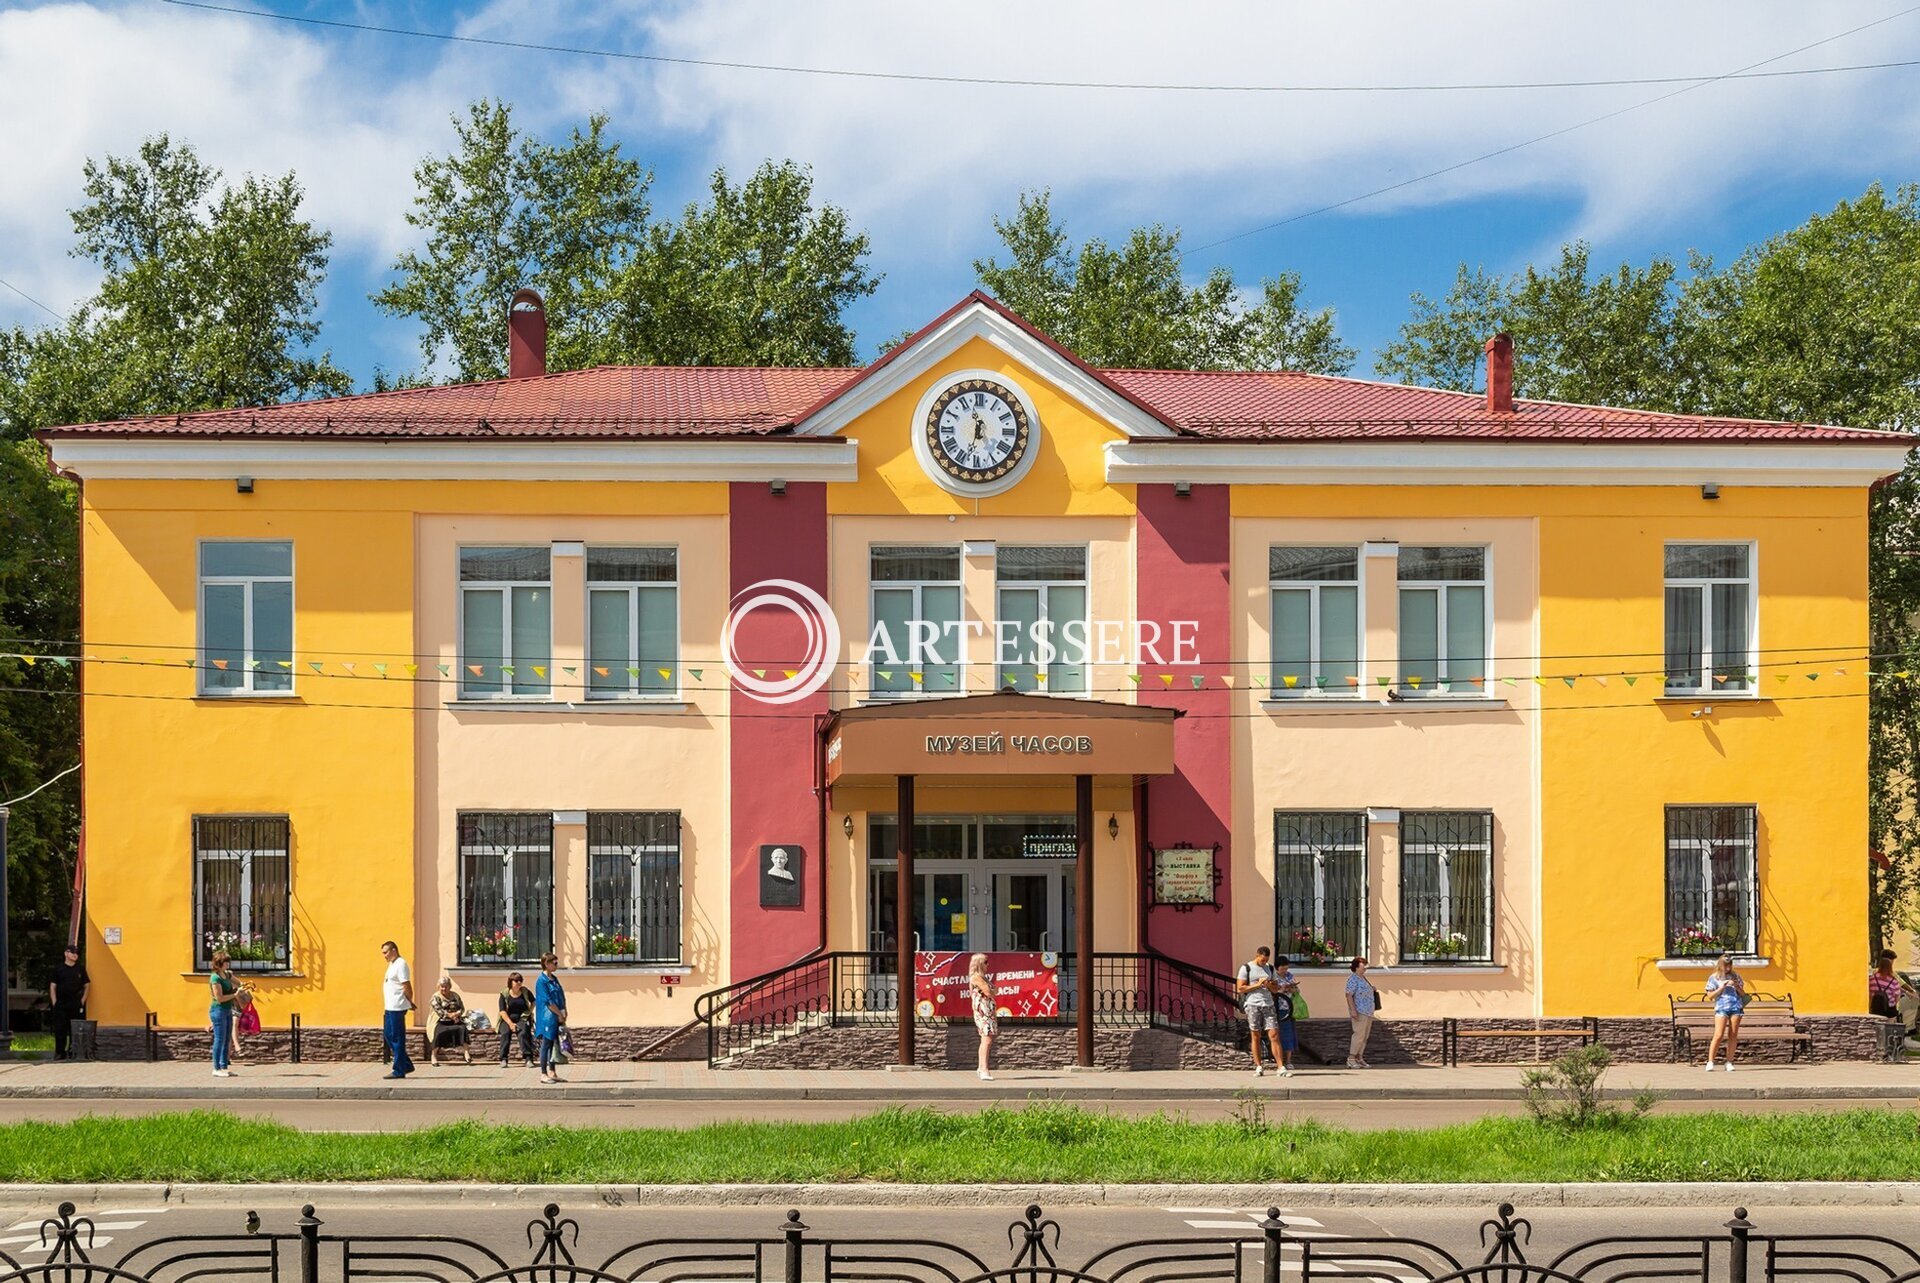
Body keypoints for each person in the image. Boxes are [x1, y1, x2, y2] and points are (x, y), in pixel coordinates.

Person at [1235, 945, 1288, 1077]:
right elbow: (1240, 988)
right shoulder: (1246, 968)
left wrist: (1269, 985)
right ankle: (1258, 1066)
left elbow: (1276, 989)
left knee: (1274, 1034)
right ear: (1257, 955)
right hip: (1253, 1004)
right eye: (1262, 960)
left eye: (1266, 960)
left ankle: (1281, 1067)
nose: (1264, 962)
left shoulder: (1269, 968)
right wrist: (1257, 985)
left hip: (1268, 1004)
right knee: (1256, 1035)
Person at [379, 940, 416, 1080]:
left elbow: (406, 985)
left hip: (397, 1006)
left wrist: (409, 1001)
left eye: (386, 952)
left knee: (397, 1037)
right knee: (389, 1035)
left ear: (394, 950)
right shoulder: (392, 964)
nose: (384, 955)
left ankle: (399, 1070)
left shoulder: (401, 964)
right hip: (390, 1006)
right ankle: (405, 1063)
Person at [1704, 952, 1746, 1071]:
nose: (1728, 968)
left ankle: (1729, 1062)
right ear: (1720, 965)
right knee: (1718, 1034)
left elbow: (1743, 994)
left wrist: (1736, 986)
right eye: (1725, 965)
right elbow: (1710, 996)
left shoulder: (1735, 976)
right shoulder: (1714, 978)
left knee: (1733, 1035)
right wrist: (1721, 988)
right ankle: (1711, 1061)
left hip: (1735, 1007)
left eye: (1729, 965)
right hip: (1721, 1007)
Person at [47, 944, 88, 1060]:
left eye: (76, 953)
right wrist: (54, 1002)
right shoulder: (58, 969)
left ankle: (73, 1051)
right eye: (72, 952)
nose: (75, 955)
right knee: (60, 1028)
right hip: (61, 1003)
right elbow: (53, 986)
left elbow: (87, 985)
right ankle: (60, 1052)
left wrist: (82, 1000)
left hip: (75, 1003)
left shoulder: (80, 969)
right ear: (66, 953)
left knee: (74, 1028)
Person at [533, 952, 567, 1084]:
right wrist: (559, 1014)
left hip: (557, 1015)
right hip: (547, 1017)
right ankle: (543, 1073)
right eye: (555, 963)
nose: (556, 965)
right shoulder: (542, 981)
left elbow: (560, 996)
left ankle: (552, 1071)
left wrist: (564, 1011)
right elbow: (548, 1001)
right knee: (546, 1044)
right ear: (546, 964)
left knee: (554, 1044)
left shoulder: (554, 979)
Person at [207, 950, 240, 1077]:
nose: (228, 964)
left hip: (227, 1010)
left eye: (228, 962)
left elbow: (239, 983)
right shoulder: (215, 978)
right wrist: (234, 995)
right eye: (226, 962)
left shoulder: (227, 974)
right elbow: (219, 998)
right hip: (218, 1011)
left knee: (227, 1039)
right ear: (219, 963)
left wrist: (246, 986)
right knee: (219, 1039)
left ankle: (224, 1067)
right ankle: (216, 1068)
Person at [427, 976, 473, 1066]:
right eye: (442, 986)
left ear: (450, 986)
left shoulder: (455, 995)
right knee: (438, 1032)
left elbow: (462, 1008)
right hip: (440, 1021)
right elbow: (439, 1011)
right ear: (438, 987)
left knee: (463, 1028)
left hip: (454, 1020)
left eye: (446, 986)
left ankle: (467, 1053)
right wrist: (451, 1015)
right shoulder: (435, 997)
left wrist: (457, 1014)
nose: (444, 988)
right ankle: (433, 1056)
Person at [1344, 955, 1378, 1069]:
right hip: (1359, 1010)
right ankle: (1351, 1058)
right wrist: (1353, 1010)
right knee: (1358, 1034)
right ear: (1356, 966)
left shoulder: (1363, 978)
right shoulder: (1353, 979)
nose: (1365, 967)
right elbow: (1349, 995)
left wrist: (1371, 988)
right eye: (1363, 965)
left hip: (1368, 1011)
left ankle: (1359, 1057)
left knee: (1365, 1036)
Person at [968, 952, 998, 1081]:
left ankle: (981, 1067)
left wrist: (991, 990)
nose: (988, 965)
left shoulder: (984, 978)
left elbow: (995, 991)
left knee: (987, 1039)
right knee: (987, 1039)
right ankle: (984, 1068)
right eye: (986, 962)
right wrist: (991, 990)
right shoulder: (976, 977)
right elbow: (988, 991)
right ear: (980, 964)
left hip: (989, 1011)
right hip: (983, 1012)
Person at [1270, 954, 1302, 1074]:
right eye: (1282, 969)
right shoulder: (1273, 978)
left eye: (1286, 968)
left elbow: (1297, 990)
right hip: (1277, 1009)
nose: (1284, 971)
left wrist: (1291, 988)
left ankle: (1288, 1060)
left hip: (1289, 1008)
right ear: (1277, 968)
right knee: (1277, 1034)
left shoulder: (1289, 976)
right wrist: (1280, 990)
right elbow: (1271, 991)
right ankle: (1279, 1060)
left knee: (1289, 1033)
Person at [497, 972, 536, 1067]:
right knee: (505, 1033)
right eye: (516, 981)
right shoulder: (504, 993)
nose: (519, 983)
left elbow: (534, 1001)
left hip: (522, 1018)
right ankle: (503, 1059)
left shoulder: (525, 991)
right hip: (507, 1019)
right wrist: (510, 1024)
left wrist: (529, 1011)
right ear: (511, 982)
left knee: (523, 1034)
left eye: (520, 980)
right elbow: (502, 1011)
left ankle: (528, 1058)